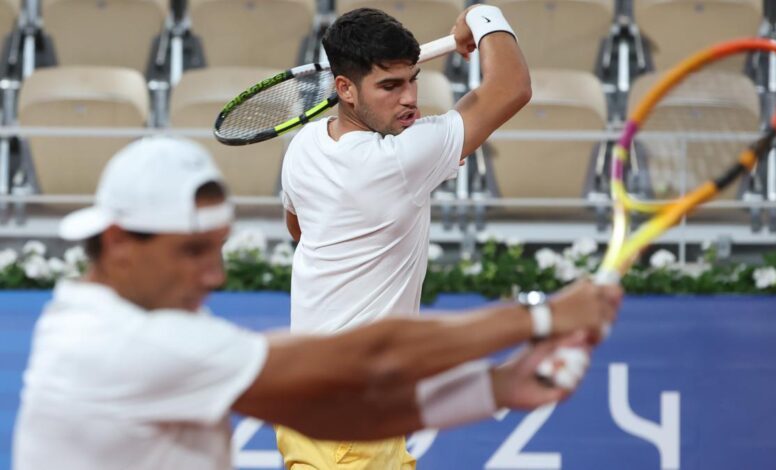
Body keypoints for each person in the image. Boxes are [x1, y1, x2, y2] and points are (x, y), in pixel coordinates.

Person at [12, 137, 621, 470]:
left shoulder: (119, 323)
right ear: (119, 243)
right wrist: (542, 316)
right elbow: (368, 361)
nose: (215, 275)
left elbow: (334, 415)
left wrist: (495, 388)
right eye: (193, 251)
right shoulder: (122, 344)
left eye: (218, 249)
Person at [278, 5, 617, 469]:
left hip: (326, 412)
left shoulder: (305, 147)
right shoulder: (398, 160)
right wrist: (482, 15)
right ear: (344, 89)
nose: (409, 99)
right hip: (350, 425)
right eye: (390, 86)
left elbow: (299, 228)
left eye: (413, 79)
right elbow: (512, 86)